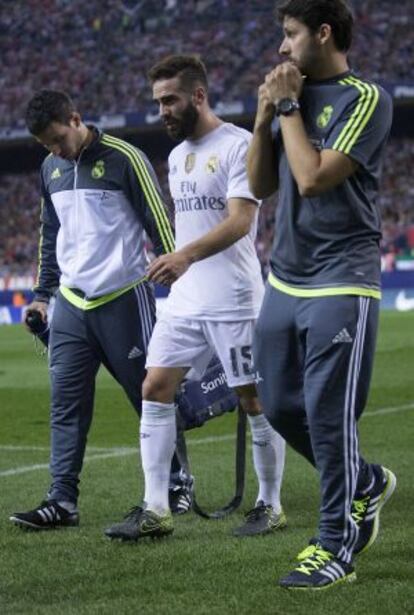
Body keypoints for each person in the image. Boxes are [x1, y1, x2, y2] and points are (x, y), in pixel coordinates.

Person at [105, 54, 286, 541]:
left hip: (233, 298)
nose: (162, 110)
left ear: (199, 96)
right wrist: (181, 264)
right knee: (154, 389)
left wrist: (183, 256)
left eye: (170, 100)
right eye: (158, 102)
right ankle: (157, 509)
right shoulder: (178, 156)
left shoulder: (238, 146)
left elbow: (239, 222)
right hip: (184, 300)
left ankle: (270, 504)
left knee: (253, 399)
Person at [247, 0, 396, 590]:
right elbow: (262, 185)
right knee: (280, 406)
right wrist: (264, 118)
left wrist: (286, 106)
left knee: (328, 418)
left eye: (290, 34)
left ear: (324, 33)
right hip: (285, 276)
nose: (282, 48)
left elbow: (310, 179)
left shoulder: (366, 99)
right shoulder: (291, 98)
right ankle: (364, 480)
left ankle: (335, 545)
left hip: (343, 278)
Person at [9, 89, 192, 531]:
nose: (54, 150)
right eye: (45, 145)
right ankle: (62, 501)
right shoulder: (51, 167)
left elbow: (158, 219)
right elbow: (49, 232)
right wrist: (41, 293)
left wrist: (181, 276)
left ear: (75, 118)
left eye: (57, 139)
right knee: (65, 405)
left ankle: (177, 484)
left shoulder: (125, 158)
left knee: (151, 394)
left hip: (124, 297)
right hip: (72, 303)